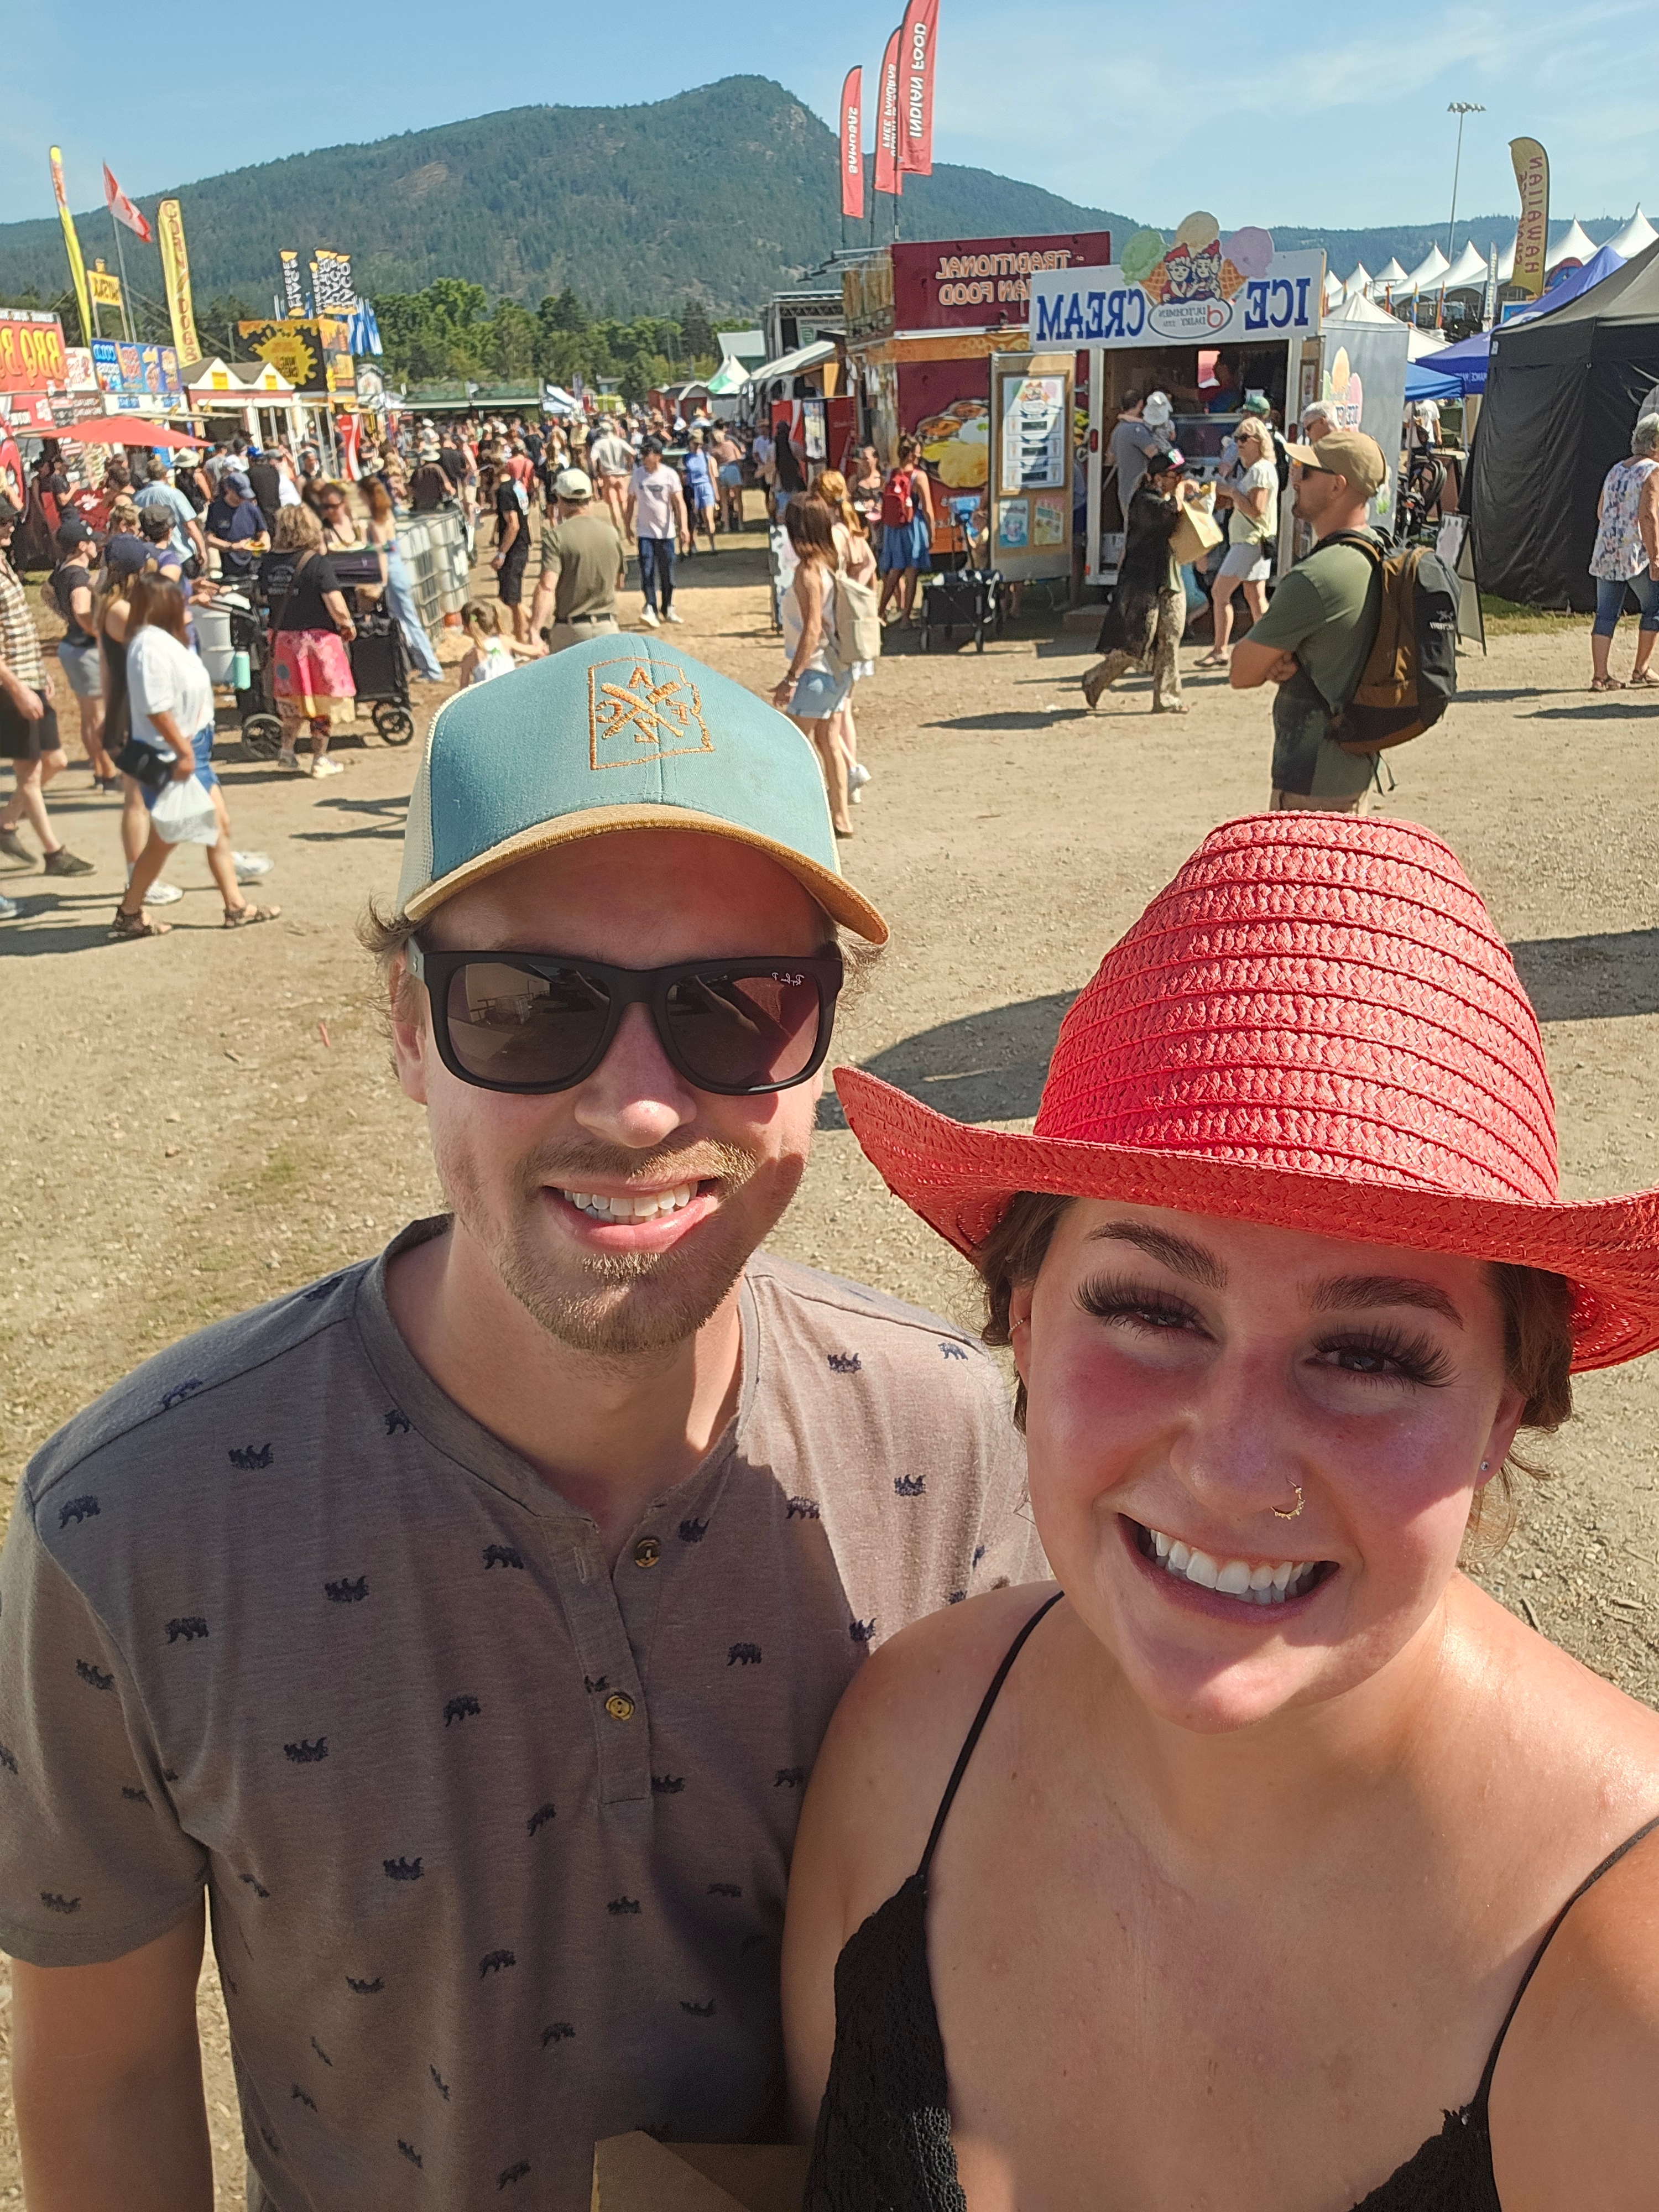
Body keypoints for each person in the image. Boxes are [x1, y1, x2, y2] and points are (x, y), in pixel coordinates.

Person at [1, 636, 1038, 2210]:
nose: (637, 1104)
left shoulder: (961, 1454)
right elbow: (109, 2081)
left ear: (818, 1048)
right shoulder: (131, 1528)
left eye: (736, 1004)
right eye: (528, 1002)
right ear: (408, 1032)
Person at [789, 807, 1659, 2211]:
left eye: (1370, 1352)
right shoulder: (902, 1747)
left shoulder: (1627, 1992)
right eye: (1147, 1307)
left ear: (1509, 1403)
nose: (1234, 1463)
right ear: (1022, 1314)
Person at [108, 574, 280, 938]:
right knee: (166, 839)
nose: (186, 604)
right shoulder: (148, 647)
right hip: (172, 753)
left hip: (190, 750)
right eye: (180, 599)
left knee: (216, 828)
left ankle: (234, 906)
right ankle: (130, 911)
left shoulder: (163, 640)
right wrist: (184, 751)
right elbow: (156, 707)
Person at [1229, 429, 1385, 813]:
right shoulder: (1379, 551)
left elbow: (1242, 671)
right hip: (1355, 765)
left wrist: (1276, 657)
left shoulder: (1317, 576)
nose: (1294, 479)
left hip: (1312, 780)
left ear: (1337, 486)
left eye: (1307, 471)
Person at [0, 496, 93, 880]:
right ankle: (55, 853)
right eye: (4, 523)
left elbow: (19, 628)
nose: (11, 528)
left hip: (30, 677)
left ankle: (5, 824)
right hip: (11, 685)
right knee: (30, 773)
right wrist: (18, 689)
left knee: (54, 762)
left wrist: (41, 673)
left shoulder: (5, 565)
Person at [1080, 450, 1201, 712]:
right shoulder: (1143, 500)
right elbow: (1167, 513)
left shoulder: (1169, 497)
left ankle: (1167, 698)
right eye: (1173, 476)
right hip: (1143, 584)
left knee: (1171, 637)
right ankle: (1095, 679)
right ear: (1156, 478)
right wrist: (1180, 494)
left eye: (1181, 476)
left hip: (1170, 578)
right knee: (1137, 644)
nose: (1179, 480)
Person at [773, 496, 853, 837]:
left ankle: (797, 817)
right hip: (838, 666)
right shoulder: (830, 563)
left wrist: (791, 677)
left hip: (816, 669)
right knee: (829, 741)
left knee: (792, 745)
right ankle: (841, 816)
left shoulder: (807, 572)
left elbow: (812, 628)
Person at [263, 503, 357, 780]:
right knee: (321, 703)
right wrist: (348, 625)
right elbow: (336, 605)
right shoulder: (316, 563)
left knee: (291, 702)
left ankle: (287, 752)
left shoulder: (269, 563)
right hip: (317, 644)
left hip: (283, 642)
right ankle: (319, 758)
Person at [811, 470, 877, 805]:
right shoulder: (854, 531)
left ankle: (850, 770)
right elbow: (870, 566)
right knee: (846, 706)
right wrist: (858, 588)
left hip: (839, 628)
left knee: (837, 711)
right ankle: (852, 777)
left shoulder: (834, 535)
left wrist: (842, 587)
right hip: (858, 626)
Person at [1198, 415, 1279, 665]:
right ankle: (1271, 652)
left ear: (1259, 441)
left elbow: (1257, 509)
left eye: (1244, 438)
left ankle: (1221, 649)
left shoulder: (1260, 471)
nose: (1239, 443)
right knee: (1256, 598)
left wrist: (1231, 492)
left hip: (1250, 541)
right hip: (1254, 541)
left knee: (1220, 592)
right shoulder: (1257, 469)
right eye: (1237, 438)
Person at [1588, 414, 1659, 691]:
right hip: (1636, 554)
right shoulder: (1653, 471)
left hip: (1607, 551)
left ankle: (1600, 676)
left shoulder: (1615, 469)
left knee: (1605, 614)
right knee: (1654, 606)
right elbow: (1649, 517)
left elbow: (1600, 511)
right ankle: (1641, 669)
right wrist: (1655, 557)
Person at [48, 515, 119, 787]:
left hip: (72, 646)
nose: (95, 546)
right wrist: (98, 634)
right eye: (91, 542)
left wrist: (65, 617)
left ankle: (101, 771)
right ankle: (108, 773)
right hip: (86, 649)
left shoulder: (61, 570)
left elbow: (47, 594)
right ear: (81, 546)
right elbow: (80, 609)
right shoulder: (79, 576)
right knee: (100, 717)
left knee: (90, 716)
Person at [528, 466, 627, 653]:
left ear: (559, 498)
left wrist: (535, 628)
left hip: (571, 631)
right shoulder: (612, 533)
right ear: (589, 498)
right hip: (608, 628)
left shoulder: (556, 537)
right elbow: (620, 582)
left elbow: (547, 587)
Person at [362, 478, 445, 683]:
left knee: (408, 621)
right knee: (406, 620)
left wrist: (380, 583)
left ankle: (432, 669)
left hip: (391, 573)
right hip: (397, 570)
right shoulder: (386, 515)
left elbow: (381, 553)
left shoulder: (376, 520)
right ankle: (427, 667)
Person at [626, 438, 689, 629]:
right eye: (643, 454)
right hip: (645, 533)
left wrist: (683, 527)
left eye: (648, 454)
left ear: (658, 456)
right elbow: (630, 502)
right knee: (647, 571)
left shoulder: (669, 475)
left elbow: (679, 503)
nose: (644, 458)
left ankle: (668, 607)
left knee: (667, 573)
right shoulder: (637, 476)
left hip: (666, 533)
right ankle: (650, 607)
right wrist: (627, 525)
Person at [875, 437, 934, 629]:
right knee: (911, 573)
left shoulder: (891, 474)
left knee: (894, 572)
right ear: (910, 454)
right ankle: (905, 619)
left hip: (893, 529)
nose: (919, 455)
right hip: (912, 526)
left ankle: (879, 613)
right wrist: (931, 533)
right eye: (917, 452)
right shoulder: (920, 476)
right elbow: (928, 509)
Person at [134, 457, 208, 577]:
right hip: (180, 554)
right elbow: (190, 525)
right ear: (165, 475)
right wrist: (202, 550)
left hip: (153, 557)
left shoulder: (138, 497)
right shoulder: (175, 494)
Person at [1108, 390, 1164, 526]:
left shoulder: (1118, 430)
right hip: (1139, 493)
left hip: (1124, 491)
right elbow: (1154, 454)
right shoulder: (1136, 429)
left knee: (1130, 532)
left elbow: (1110, 459)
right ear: (1140, 404)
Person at [492, 457, 533, 644]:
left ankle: (521, 640)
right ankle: (534, 623)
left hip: (514, 548)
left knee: (513, 600)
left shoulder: (504, 491)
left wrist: (501, 554)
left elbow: (513, 525)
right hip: (522, 542)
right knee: (508, 597)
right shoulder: (516, 485)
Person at [204, 472, 269, 580]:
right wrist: (232, 546)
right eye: (240, 495)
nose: (243, 499)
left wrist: (263, 544)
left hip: (254, 566)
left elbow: (263, 532)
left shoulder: (252, 508)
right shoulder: (215, 509)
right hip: (230, 569)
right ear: (228, 489)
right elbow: (209, 538)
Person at [456, 597, 536, 684]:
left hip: (488, 696)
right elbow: (531, 651)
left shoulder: (472, 656)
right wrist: (540, 647)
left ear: (467, 627)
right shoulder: (503, 641)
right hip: (512, 690)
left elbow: (463, 688)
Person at [588, 416, 635, 538]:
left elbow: (593, 460)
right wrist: (629, 464)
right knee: (623, 501)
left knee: (613, 503)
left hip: (608, 475)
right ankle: (627, 527)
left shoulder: (599, 444)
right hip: (621, 474)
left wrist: (596, 475)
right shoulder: (620, 441)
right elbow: (633, 453)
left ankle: (617, 529)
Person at [682, 435, 718, 555]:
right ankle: (693, 546)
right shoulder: (686, 458)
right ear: (691, 443)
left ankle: (713, 546)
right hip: (693, 488)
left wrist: (716, 493)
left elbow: (712, 476)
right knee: (694, 519)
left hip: (706, 487)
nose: (697, 445)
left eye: (699, 443)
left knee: (708, 518)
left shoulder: (707, 457)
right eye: (695, 443)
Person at [714, 426, 746, 532]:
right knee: (739, 499)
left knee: (724, 502)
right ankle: (741, 524)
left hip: (721, 470)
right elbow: (739, 457)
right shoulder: (731, 444)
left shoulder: (714, 450)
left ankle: (727, 526)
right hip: (733, 469)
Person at [850, 445, 884, 538]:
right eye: (863, 459)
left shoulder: (883, 481)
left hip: (882, 528)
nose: (863, 462)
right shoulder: (855, 481)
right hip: (862, 529)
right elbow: (849, 504)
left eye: (866, 458)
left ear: (875, 460)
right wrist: (864, 504)